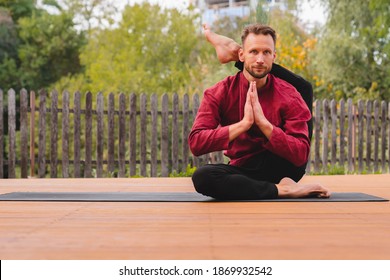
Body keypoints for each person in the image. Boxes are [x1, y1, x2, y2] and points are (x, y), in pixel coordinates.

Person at [188, 23, 330, 200]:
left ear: (274, 56)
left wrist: (264, 124)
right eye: (253, 51)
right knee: (203, 177)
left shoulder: (290, 94)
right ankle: (282, 190)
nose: (260, 59)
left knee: (304, 88)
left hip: (283, 167)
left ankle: (231, 49)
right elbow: (196, 143)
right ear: (242, 55)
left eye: (266, 52)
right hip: (244, 168)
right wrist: (244, 124)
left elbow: (301, 155)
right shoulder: (220, 92)